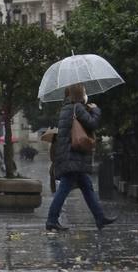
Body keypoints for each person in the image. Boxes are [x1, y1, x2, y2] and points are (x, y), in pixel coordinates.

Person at [46, 83, 116, 232]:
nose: (86, 94)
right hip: (74, 157)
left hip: (70, 156)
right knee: (64, 188)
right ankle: (51, 219)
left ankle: (100, 217)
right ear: (79, 94)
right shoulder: (77, 107)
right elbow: (92, 124)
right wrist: (96, 110)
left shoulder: (66, 108)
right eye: (84, 92)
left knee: (87, 187)